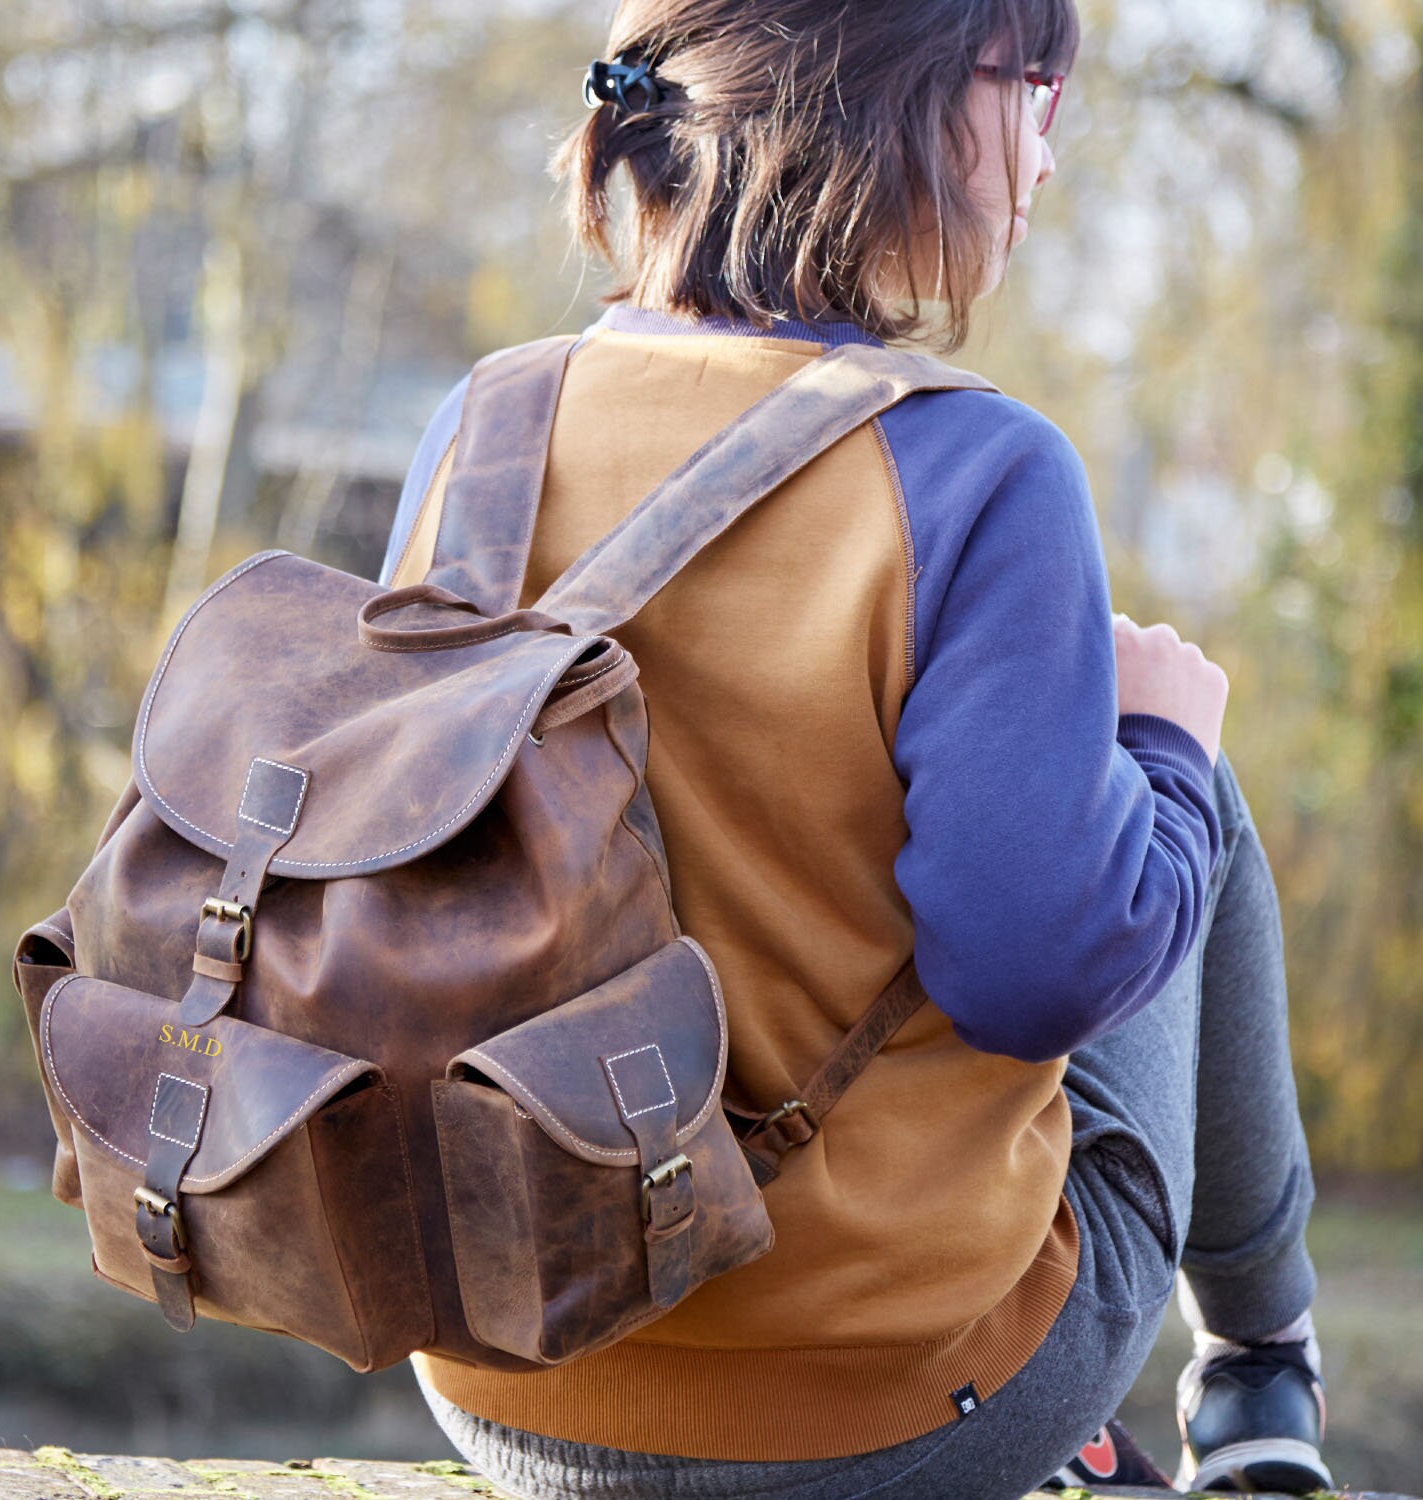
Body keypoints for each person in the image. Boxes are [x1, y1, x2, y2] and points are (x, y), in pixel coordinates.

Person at [379, 3, 1329, 1496]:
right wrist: (1161, 748)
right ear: (927, 104)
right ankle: (1263, 1373)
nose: (1050, 155)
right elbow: (1036, 973)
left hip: (503, 1367)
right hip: (884, 1418)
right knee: (1182, 779)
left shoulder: (480, 428)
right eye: (1038, 93)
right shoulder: (980, 469)